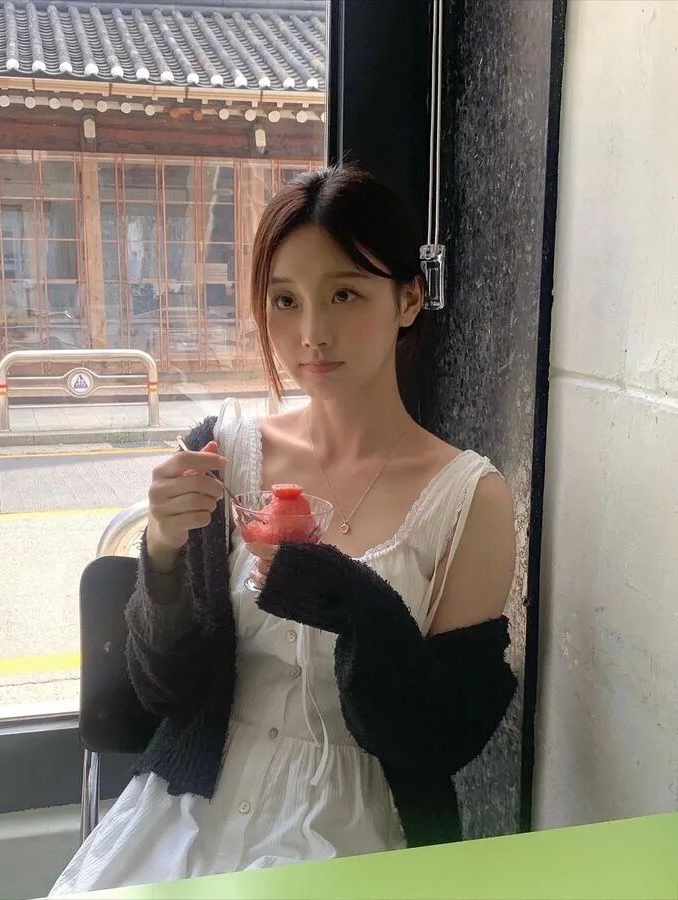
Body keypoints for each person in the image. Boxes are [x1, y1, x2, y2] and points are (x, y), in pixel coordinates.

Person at [51, 166, 517, 894]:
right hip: (190, 803)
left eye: (344, 294)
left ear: (407, 299)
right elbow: (165, 690)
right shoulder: (222, 453)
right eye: (285, 300)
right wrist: (164, 554)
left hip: (361, 820)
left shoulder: (469, 500)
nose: (311, 335)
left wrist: (350, 599)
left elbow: (438, 738)